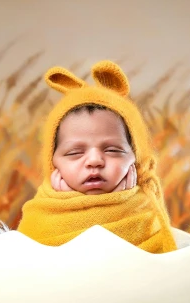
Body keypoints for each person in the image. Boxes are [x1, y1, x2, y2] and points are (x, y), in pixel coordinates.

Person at [16, 60, 178, 254]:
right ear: (53, 163)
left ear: (137, 158)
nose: (94, 161)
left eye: (112, 150)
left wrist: (121, 204)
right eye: (75, 152)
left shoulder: (146, 214)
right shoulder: (40, 216)